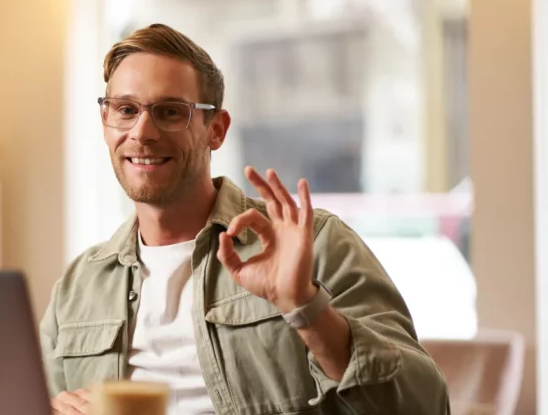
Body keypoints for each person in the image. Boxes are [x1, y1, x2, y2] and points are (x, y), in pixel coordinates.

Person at [41, 23, 450, 415]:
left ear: (215, 130)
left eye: (170, 112)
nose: (142, 132)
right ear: (105, 121)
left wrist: (305, 307)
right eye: (126, 109)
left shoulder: (315, 243)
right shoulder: (78, 287)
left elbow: (424, 406)